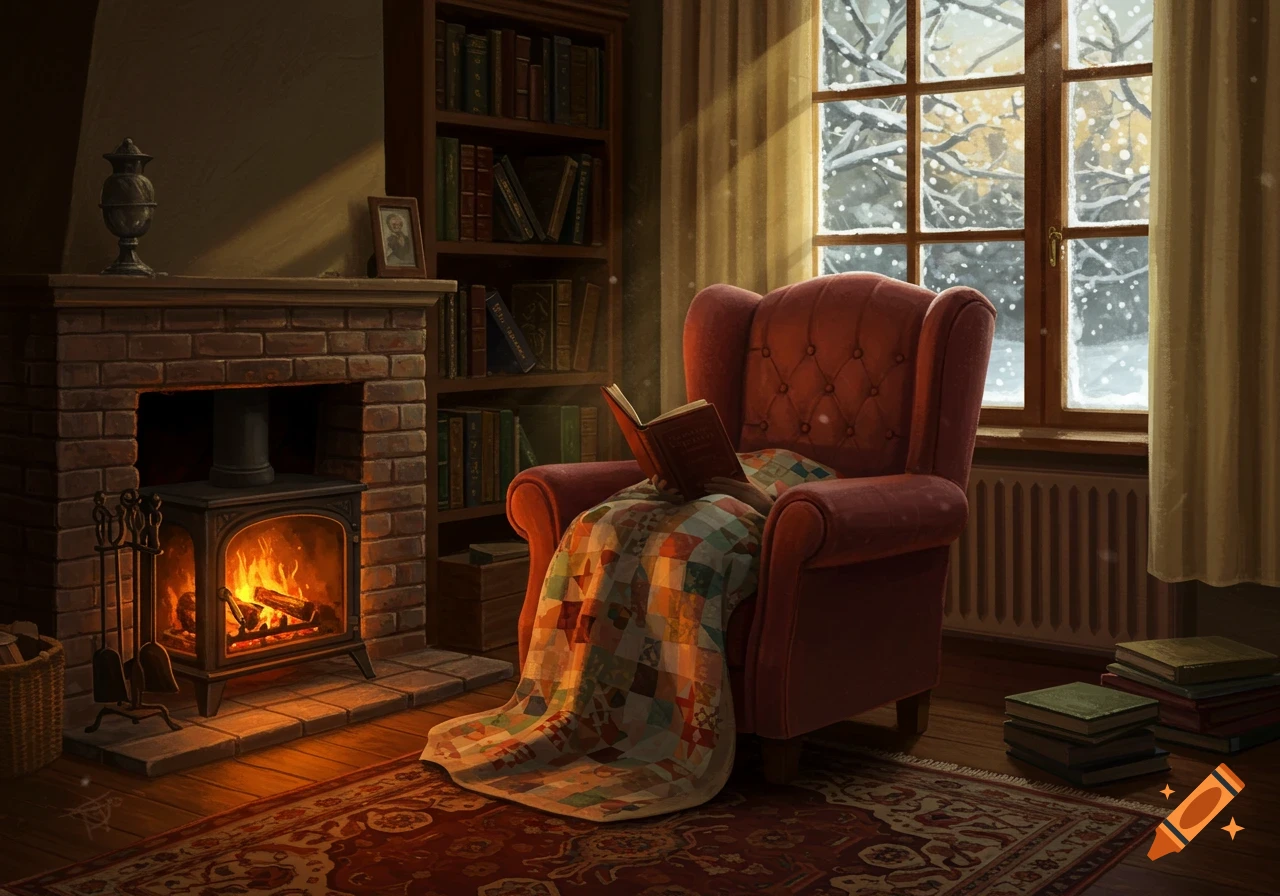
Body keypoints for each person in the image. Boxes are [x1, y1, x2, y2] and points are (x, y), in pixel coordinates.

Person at [422, 447, 836, 823]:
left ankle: (671, 726)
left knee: (689, 550)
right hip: (720, 475)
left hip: (773, 489)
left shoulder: (811, 475)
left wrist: (765, 504)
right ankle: (579, 706)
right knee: (598, 524)